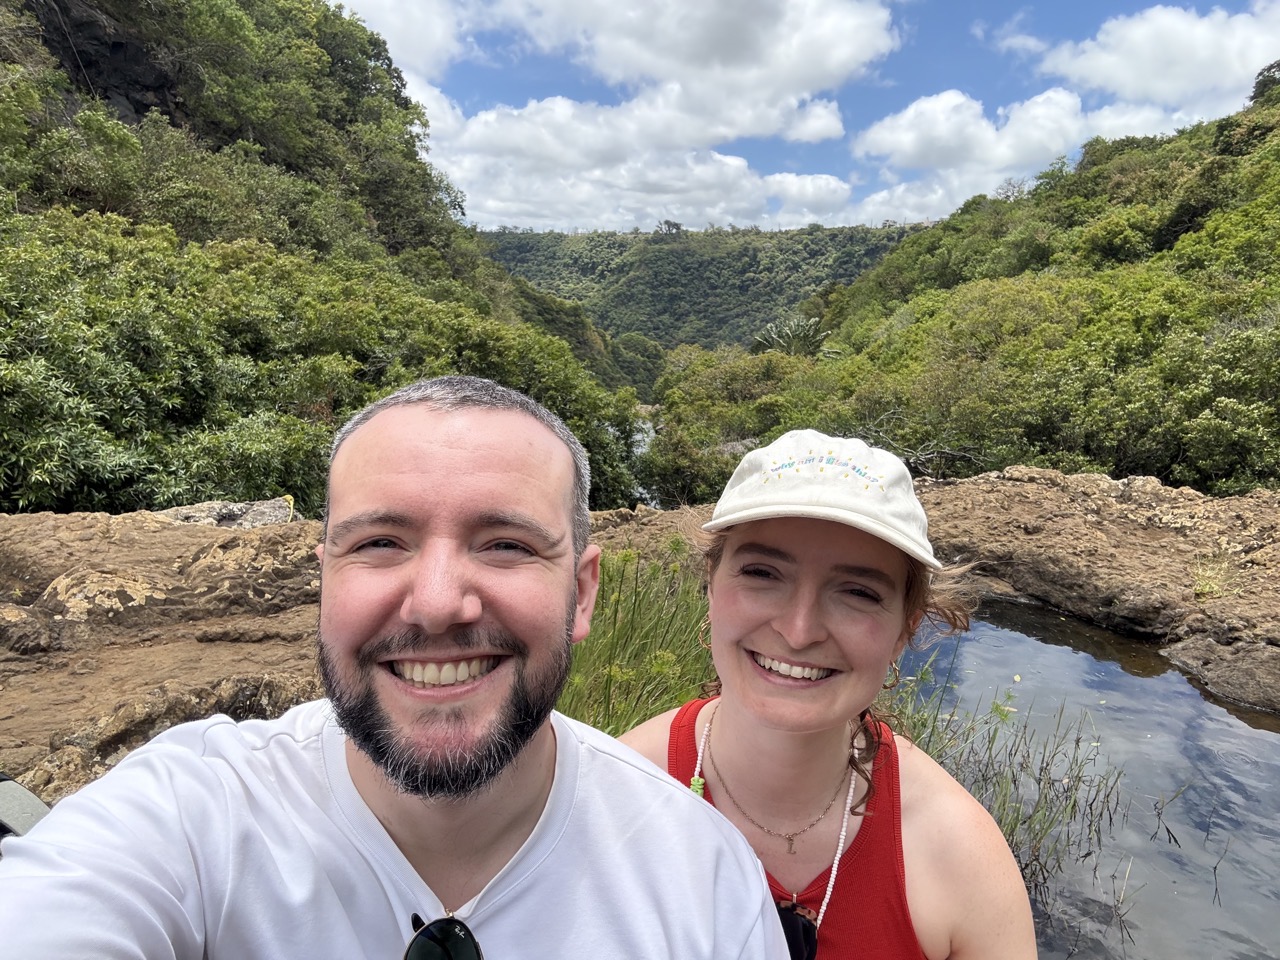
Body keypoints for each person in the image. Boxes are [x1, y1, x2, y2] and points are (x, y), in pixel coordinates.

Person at [0, 375, 789, 959]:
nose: (438, 603)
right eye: (380, 543)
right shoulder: (190, 816)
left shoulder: (701, 878)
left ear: (581, 593)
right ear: (325, 578)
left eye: (505, 545)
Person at [622, 429, 1038, 960]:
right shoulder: (615, 795)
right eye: (762, 573)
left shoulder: (959, 858)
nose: (799, 631)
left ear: (905, 629)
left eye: (858, 592)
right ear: (712, 583)